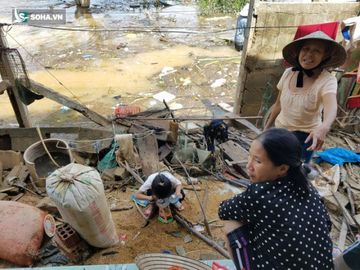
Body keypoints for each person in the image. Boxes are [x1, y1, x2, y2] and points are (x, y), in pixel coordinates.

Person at [218, 128, 333, 269]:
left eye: (258, 161)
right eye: (250, 156)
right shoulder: (308, 188)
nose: (249, 166)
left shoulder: (259, 194)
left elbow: (223, 211)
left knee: (232, 223)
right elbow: (327, 225)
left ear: (282, 169)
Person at [264, 31, 347, 163]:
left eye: (317, 51)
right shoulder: (288, 73)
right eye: (306, 49)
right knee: (275, 166)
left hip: (305, 137)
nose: (309, 55)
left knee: (296, 171)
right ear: (299, 51)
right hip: (280, 130)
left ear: (325, 56)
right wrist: (266, 128)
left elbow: (331, 106)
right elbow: (278, 104)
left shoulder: (327, 81)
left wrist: (324, 127)